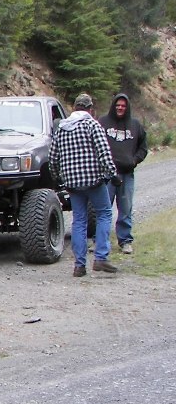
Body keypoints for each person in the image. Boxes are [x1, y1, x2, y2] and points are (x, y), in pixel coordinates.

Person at [50, 93, 121, 277]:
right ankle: (100, 257)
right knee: (104, 214)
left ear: (74, 108)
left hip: (72, 183)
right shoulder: (92, 125)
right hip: (93, 180)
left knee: (79, 221)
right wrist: (113, 175)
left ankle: (79, 265)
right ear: (90, 109)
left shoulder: (62, 128)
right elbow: (104, 153)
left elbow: (52, 159)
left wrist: (59, 177)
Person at [98, 93, 148, 254]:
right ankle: (99, 240)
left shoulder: (135, 125)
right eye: (118, 105)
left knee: (125, 208)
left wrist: (134, 160)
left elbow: (143, 148)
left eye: (123, 106)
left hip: (126, 174)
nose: (120, 108)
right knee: (103, 209)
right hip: (107, 175)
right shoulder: (103, 122)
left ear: (127, 108)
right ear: (113, 106)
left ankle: (125, 240)